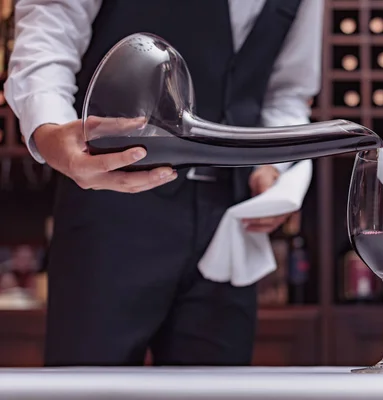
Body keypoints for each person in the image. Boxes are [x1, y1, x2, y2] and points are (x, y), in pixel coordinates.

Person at [5, 0, 323, 366]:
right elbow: (52, 20)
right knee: (87, 386)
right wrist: (49, 128)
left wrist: (274, 170)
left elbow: (286, 93)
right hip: (112, 204)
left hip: (229, 222)